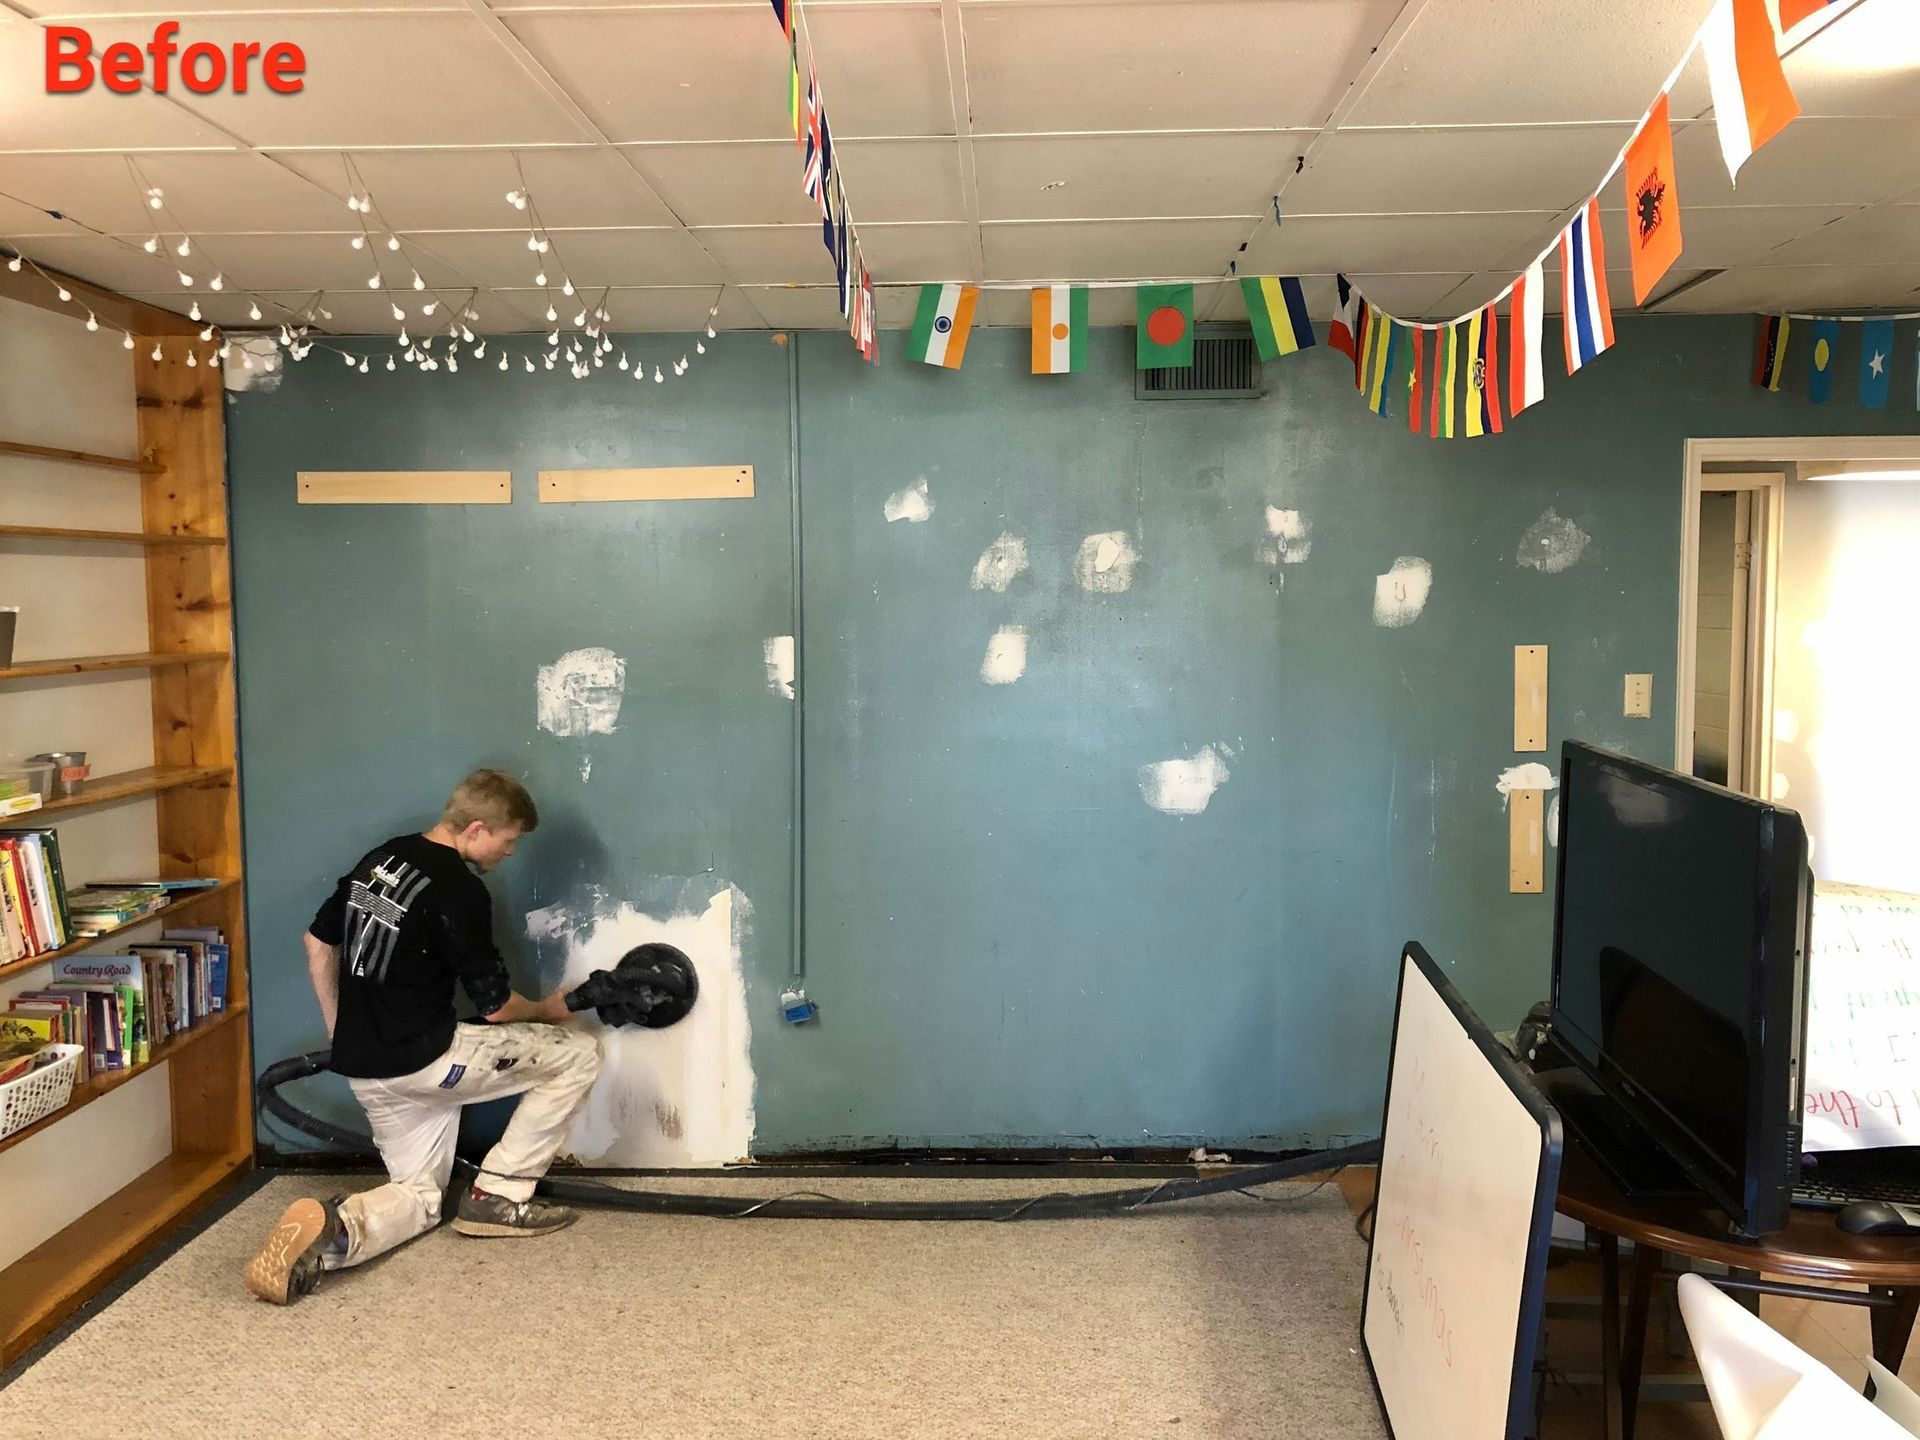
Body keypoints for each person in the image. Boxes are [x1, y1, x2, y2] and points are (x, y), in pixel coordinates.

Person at [244, 768, 602, 1305]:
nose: (509, 853)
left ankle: (334, 1233)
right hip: (429, 1063)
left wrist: (342, 1035)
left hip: (366, 1071)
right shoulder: (460, 890)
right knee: (579, 1054)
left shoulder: (383, 859)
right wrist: (551, 1009)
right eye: (508, 841)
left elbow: (316, 944)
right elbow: (497, 1009)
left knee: (420, 1199)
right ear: (477, 829)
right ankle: (499, 1195)